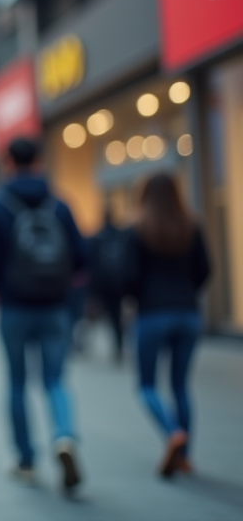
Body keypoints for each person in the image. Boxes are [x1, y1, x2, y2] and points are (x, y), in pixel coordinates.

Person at [0, 137, 87, 495]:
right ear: (39, 160)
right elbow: (83, 255)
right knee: (55, 378)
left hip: (15, 307)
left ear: (8, 163)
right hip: (55, 305)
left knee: (17, 383)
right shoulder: (59, 204)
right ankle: (64, 435)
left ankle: (25, 459)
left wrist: (1, 287)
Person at [125, 173, 211, 478]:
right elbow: (205, 270)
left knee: (147, 385)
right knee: (181, 386)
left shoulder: (137, 229)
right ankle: (185, 456)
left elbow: (129, 276)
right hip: (187, 313)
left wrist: (140, 297)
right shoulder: (192, 225)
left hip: (152, 314)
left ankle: (173, 432)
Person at [89, 207, 129, 363]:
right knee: (116, 316)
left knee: (92, 316)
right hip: (117, 284)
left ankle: (82, 344)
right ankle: (118, 345)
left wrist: (92, 290)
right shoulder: (120, 236)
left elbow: (92, 264)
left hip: (101, 285)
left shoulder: (97, 238)